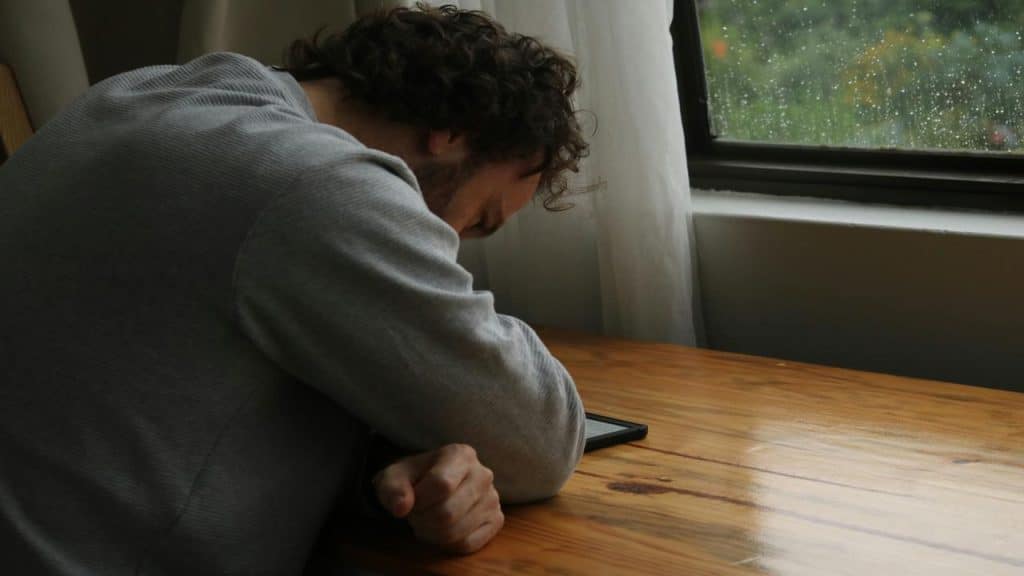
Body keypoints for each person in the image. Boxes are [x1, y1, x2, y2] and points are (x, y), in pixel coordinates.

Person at [0, 4, 589, 575]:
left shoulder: (131, 95)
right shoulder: (317, 185)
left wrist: (389, 467)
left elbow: (162, 386)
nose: (450, 243)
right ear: (454, 130)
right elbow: (540, 441)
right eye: (477, 218)